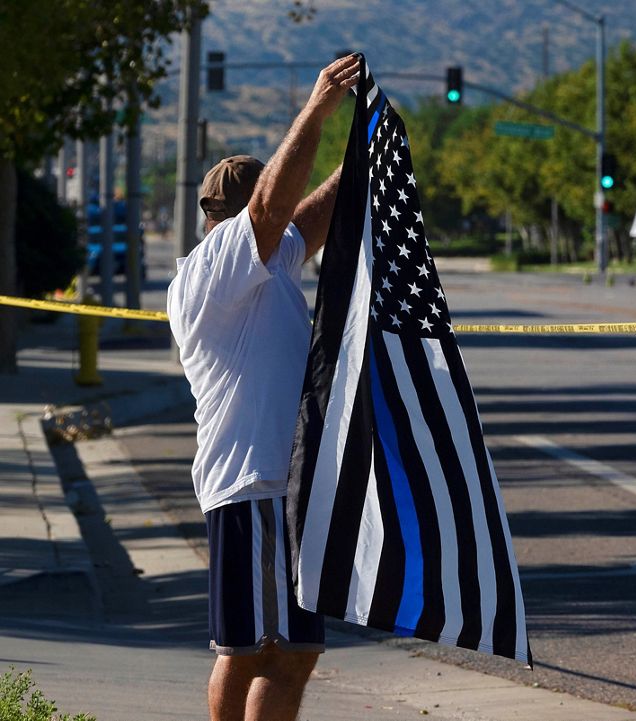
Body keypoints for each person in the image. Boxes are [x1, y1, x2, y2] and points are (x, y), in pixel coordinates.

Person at [167, 54, 360, 721]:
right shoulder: (214, 265)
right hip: (253, 485)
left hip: (281, 487)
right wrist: (318, 107)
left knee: (291, 647)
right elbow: (278, 206)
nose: (276, 227)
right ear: (234, 216)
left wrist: (364, 146)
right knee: (251, 648)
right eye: (262, 213)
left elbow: (309, 215)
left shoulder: (270, 258)